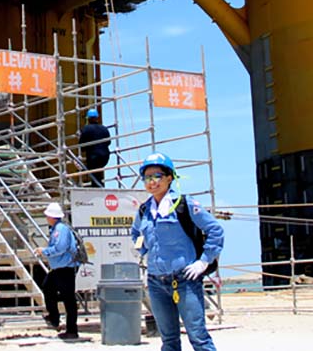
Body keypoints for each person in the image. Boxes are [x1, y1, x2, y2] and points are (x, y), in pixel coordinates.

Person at [130, 152, 223, 351]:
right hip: (155, 282)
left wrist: (204, 261)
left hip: (184, 281)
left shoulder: (183, 204)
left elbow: (215, 230)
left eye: (157, 176)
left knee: (198, 337)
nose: (152, 182)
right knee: (169, 340)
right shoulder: (144, 210)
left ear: (169, 177)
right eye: (147, 177)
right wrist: (142, 249)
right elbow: (136, 233)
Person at [34, 202, 79, 340]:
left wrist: (44, 251)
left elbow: (60, 247)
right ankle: (54, 317)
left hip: (65, 267)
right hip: (60, 267)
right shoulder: (57, 229)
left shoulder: (60, 229)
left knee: (68, 298)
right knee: (48, 287)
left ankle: (71, 329)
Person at [78, 109, 111, 187]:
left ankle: (97, 186)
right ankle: (98, 185)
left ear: (88, 119)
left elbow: (81, 146)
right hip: (105, 157)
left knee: (92, 171)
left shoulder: (86, 129)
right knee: (97, 173)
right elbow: (108, 142)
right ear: (97, 118)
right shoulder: (104, 129)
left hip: (93, 158)